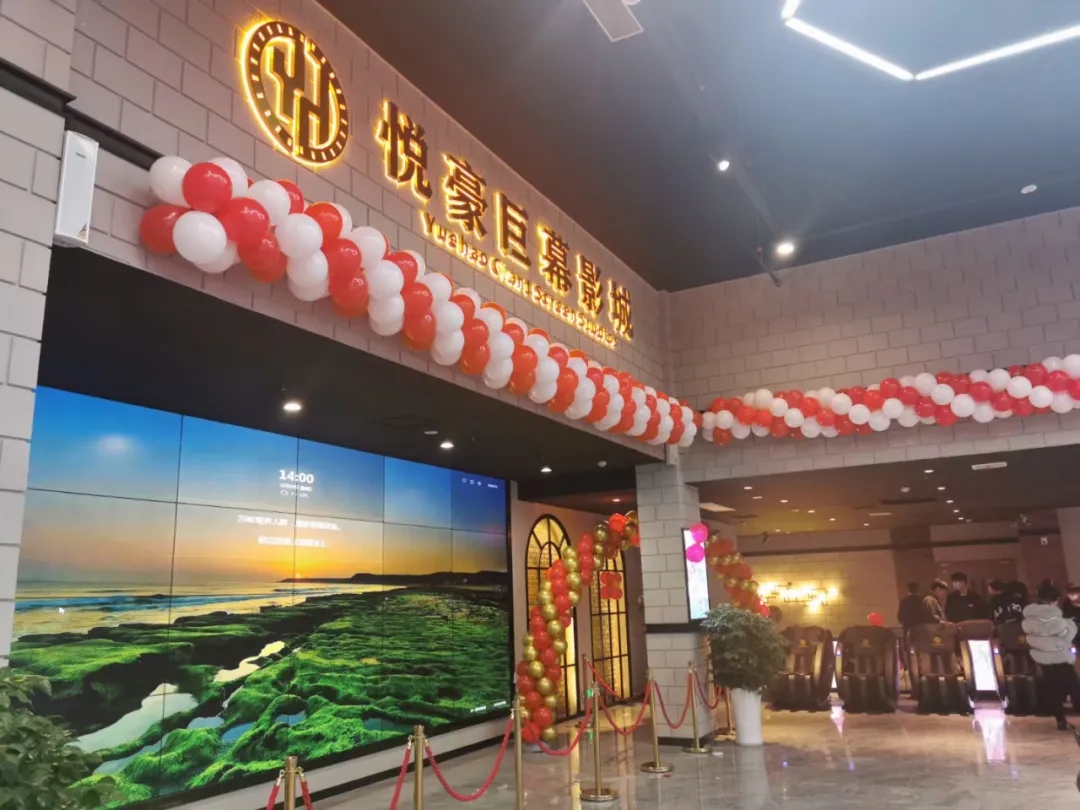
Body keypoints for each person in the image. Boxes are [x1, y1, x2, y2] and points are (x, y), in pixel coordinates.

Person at [1022, 582, 1080, 730]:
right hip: (1058, 655)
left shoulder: (1030, 616)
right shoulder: (1052, 615)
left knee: (1053, 689)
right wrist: (1070, 624)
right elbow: (1064, 633)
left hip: (1042, 657)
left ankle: (1060, 719)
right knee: (1074, 687)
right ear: (1054, 600)